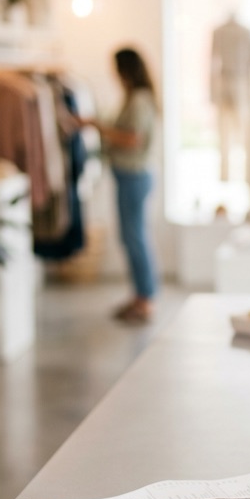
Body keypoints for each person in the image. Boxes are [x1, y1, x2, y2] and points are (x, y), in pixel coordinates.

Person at [95, 47, 160, 322]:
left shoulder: (140, 100)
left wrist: (98, 127)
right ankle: (140, 296)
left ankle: (145, 299)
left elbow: (133, 139)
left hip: (134, 176)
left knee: (134, 238)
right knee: (131, 237)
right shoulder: (134, 98)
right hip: (128, 175)